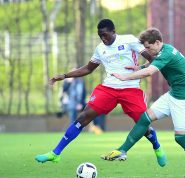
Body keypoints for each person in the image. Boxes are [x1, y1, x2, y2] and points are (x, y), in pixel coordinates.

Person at [35, 19, 166, 167]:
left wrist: (141, 67)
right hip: (109, 88)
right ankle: (55, 153)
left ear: (113, 31)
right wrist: (65, 76)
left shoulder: (129, 40)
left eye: (105, 35)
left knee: (143, 123)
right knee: (83, 117)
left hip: (131, 88)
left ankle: (157, 147)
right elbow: (88, 69)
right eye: (100, 36)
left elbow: (153, 59)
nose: (103, 39)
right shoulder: (100, 49)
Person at [102, 28, 185, 178]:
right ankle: (122, 150)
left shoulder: (166, 53)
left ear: (157, 42)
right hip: (173, 95)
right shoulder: (164, 51)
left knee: (181, 138)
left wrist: (125, 77)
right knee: (144, 118)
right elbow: (153, 64)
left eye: (148, 47)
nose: (148, 51)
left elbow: (150, 72)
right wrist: (139, 67)